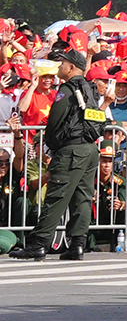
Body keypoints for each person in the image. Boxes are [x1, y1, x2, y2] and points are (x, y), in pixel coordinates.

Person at [9, 49, 106, 260]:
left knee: (56, 196)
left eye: (63, 63)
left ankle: (38, 243)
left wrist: (52, 144)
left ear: (72, 67)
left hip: (71, 149)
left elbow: (55, 120)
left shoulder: (68, 89)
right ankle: (77, 245)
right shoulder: (89, 88)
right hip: (89, 148)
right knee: (82, 198)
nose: (59, 67)